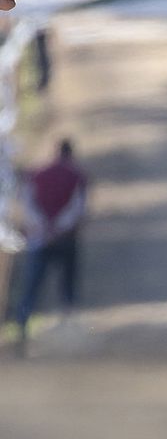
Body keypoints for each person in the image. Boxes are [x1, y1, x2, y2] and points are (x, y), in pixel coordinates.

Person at [12, 138, 89, 346]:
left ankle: (22, 325)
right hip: (65, 239)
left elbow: (28, 203)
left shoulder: (38, 174)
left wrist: (42, 227)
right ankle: (68, 330)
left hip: (39, 238)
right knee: (67, 285)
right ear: (71, 154)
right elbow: (78, 208)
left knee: (32, 285)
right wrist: (58, 228)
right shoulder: (77, 176)